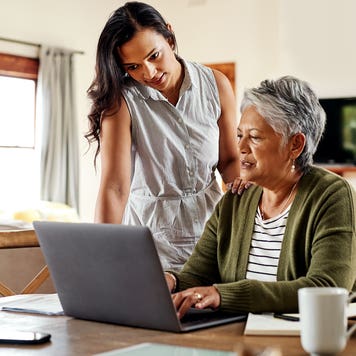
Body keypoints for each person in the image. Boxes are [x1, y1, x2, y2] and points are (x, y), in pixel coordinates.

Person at [165, 75, 356, 318]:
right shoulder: (235, 199)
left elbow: (328, 288)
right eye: (239, 135)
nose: (241, 147)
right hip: (234, 337)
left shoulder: (332, 195)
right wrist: (171, 280)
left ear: (295, 145)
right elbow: (197, 275)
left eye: (254, 137)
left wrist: (224, 295)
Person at [85, 1, 243, 270]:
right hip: (152, 249)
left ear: (169, 37)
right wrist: (104, 262)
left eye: (154, 56)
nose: (149, 73)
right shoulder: (121, 102)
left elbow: (229, 161)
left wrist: (248, 215)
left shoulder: (215, 84)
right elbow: (115, 188)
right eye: (133, 67)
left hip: (213, 243)